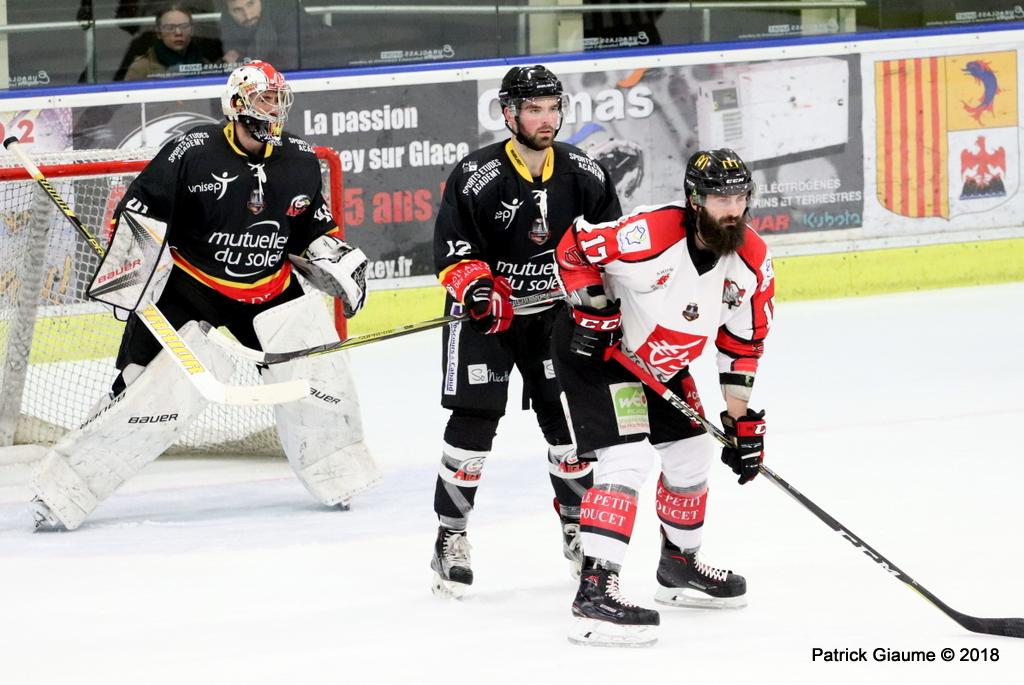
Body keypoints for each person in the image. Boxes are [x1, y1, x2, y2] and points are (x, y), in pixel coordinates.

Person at [30, 61, 381, 531]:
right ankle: (65, 489)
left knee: (319, 371)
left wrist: (329, 255)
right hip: (191, 288)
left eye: (278, 99)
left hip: (269, 290)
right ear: (236, 104)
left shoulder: (298, 160)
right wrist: (129, 265)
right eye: (263, 99)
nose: (273, 109)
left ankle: (336, 469)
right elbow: (140, 211)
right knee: (139, 385)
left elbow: (308, 226)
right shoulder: (191, 151)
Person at [551, 148, 774, 646]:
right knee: (627, 457)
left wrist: (739, 422)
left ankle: (679, 565)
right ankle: (595, 592)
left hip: (662, 364)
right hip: (601, 352)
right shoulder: (651, 233)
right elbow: (574, 247)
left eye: (740, 197)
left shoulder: (753, 261)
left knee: (693, 451)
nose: (733, 209)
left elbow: (742, 344)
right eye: (720, 198)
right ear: (695, 200)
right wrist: (593, 307)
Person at [429, 65, 623, 598]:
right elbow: (453, 249)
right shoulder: (477, 174)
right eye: (534, 109)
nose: (546, 119)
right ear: (509, 114)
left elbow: (610, 250)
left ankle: (578, 530)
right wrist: (478, 289)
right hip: (487, 318)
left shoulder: (584, 174)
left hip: (555, 315)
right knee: (473, 424)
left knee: (570, 428)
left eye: (553, 108)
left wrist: (602, 307)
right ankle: (450, 536)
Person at [219, 0, 333, 71]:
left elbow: (286, 63)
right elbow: (228, 53)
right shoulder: (228, 19)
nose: (248, 15)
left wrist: (240, 62)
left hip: (329, 68)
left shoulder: (287, 10)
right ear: (229, 11)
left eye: (251, 4)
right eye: (237, 10)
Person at [124, 5, 209, 80]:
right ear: (159, 33)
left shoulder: (205, 64)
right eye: (170, 28)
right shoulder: (141, 68)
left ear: (192, 31)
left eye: (184, 26)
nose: (178, 32)